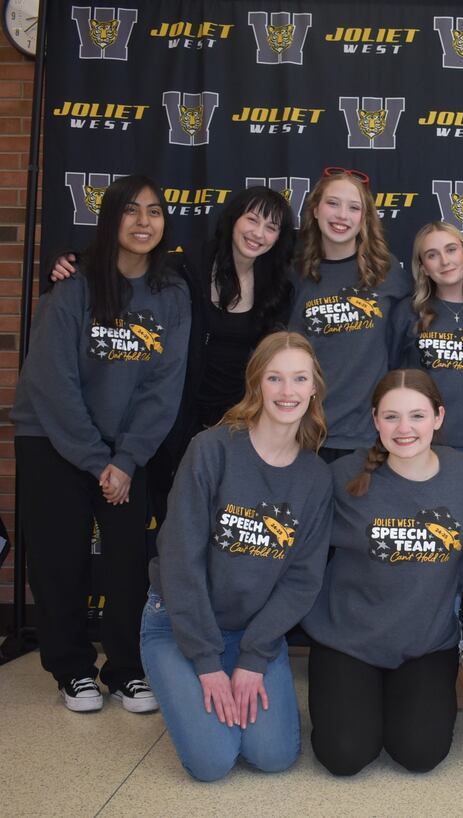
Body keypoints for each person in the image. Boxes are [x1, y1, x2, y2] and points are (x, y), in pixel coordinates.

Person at [13, 174, 191, 713]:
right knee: (59, 558)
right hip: (52, 439)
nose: (143, 222)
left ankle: (124, 668)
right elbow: (52, 382)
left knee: (126, 560)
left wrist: (126, 459)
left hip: (124, 449)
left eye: (154, 212)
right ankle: (70, 668)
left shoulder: (171, 295)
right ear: (109, 219)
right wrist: (96, 460)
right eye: (131, 211)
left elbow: (164, 387)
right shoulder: (74, 287)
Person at [140, 331, 333, 781]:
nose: (287, 392)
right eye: (275, 378)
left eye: (299, 379)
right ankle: (189, 691)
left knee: (273, 756)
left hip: (253, 631)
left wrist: (253, 657)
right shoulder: (211, 450)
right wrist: (207, 664)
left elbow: (302, 580)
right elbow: (179, 558)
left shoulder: (315, 477)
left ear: (314, 388)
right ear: (256, 384)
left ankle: (229, 690)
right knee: (212, 762)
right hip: (179, 624)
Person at [51, 187, 295, 514]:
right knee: (179, 516)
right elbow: (127, 263)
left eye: (271, 227)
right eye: (251, 220)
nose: (258, 233)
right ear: (233, 220)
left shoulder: (280, 284)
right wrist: (67, 260)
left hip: (243, 421)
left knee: (232, 517)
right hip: (181, 418)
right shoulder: (186, 266)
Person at [302, 369, 463, 775]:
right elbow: (300, 549)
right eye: (391, 417)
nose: (404, 429)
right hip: (347, 639)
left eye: (417, 416)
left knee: (420, 753)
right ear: (374, 420)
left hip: (425, 643)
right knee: (344, 755)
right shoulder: (341, 477)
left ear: (439, 418)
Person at [288, 167, 412, 462]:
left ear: (365, 218)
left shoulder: (388, 271)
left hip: (367, 436)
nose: (342, 215)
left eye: (353, 207)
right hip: (306, 432)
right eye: (333, 203)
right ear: (315, 210)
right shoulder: (296, 273)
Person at [393, 221, 463, 469]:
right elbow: (394, 377)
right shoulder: (408, 313)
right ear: (423, 267)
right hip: (425, 441)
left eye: (451, 249)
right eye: (432, 255)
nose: (444, 261)